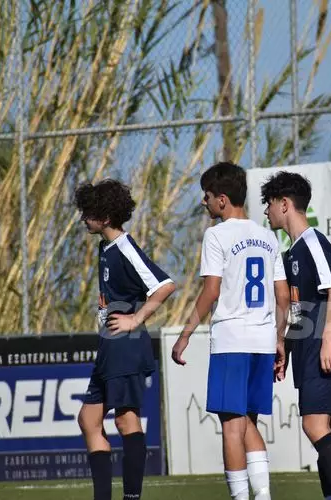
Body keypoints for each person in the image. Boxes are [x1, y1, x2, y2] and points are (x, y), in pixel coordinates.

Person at [171, 162, 289, 500]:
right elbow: (283, 296)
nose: (203, 202)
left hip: (232, 340)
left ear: (222, 199)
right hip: (262, 340)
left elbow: (211, 290)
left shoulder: (216, 235)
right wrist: (279, 339)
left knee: (232, 427)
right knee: (249, 422)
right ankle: (262, 495)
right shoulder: (267, 236)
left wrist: (185, 335)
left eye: (206, 196)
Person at [260, 171, 331, 500]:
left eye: (269, 204)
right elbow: (299, 310)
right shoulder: (293, 252)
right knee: (326, 430)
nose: (266, 211)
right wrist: (286, 347)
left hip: (323, 348)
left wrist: (328, 339)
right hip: (308, 350)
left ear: (284, 204)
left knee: (314, 426)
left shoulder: (313, 241)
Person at [74, 179, 176, 500]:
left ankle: (132, 497)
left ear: (105, 217)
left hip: (126, 346)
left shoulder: (125, 247)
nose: (83, 218)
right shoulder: (105, 247)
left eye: (88, 212)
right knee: (89, 419)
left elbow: (165, 285)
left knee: (125, 420)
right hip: (110, 346)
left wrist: (135, 318)